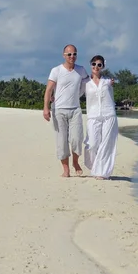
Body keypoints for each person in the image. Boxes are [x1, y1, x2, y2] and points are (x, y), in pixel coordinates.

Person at [43, 44, 90, 178]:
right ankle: (66, 169)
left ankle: (75, 163)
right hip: (59, 110)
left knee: (76, 138)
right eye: (69, 54)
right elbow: (48, 90)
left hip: (75, 109)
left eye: (74, 54)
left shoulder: (81, 70)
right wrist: (46, 108)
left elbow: (89, 84)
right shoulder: (56, 70)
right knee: (62, 141)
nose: (72, 57)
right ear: (64, 55)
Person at [82, 55, 118, 180]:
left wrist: (111, 82)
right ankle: (94, 167)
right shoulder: (85, 82)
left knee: (106, 145)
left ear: (103, 66)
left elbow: (112, 87)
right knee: (92, 144)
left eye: (99, 65)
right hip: (93, 116)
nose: (96, 67)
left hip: (109, 115)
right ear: (90, 64)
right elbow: (74, 92)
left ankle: (102, 172)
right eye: (94, 64)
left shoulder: (107, 82)